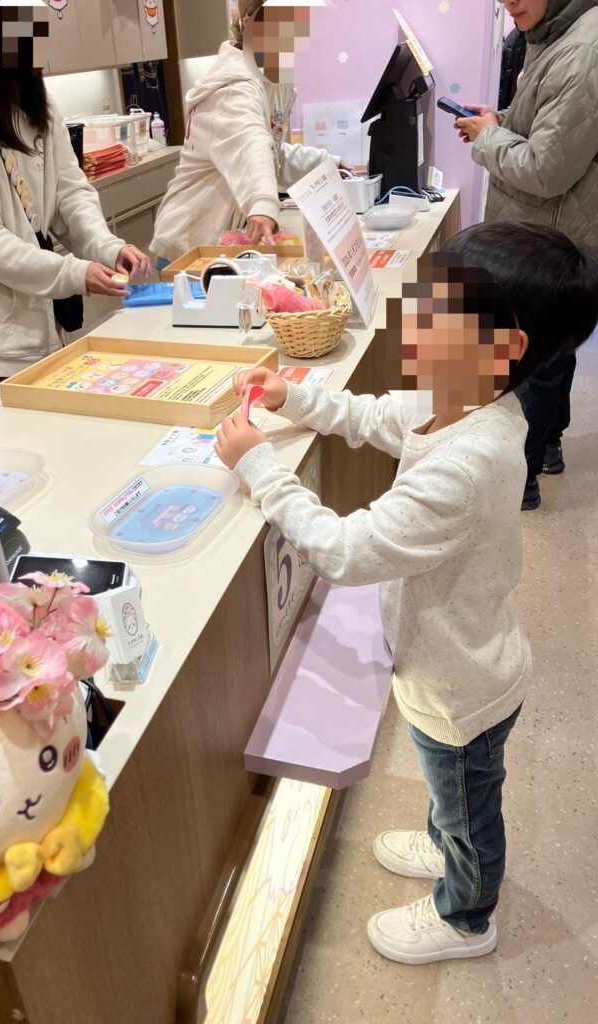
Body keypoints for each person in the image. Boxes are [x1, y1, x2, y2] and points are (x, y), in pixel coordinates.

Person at [214, 222, 598, 965]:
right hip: (445, 662)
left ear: (504, 347)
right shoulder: (454, 398)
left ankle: (467, 915)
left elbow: (346, 550)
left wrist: (261, 468)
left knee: (467, 806)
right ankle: (442, 840)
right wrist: (293, 396)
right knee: (447, 788)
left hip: (461, 686)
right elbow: (372, 416)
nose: (412, 318)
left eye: (437, 311)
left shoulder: (471, 460)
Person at [0, 0, 149, 402]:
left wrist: (107, 247)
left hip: (44, 316)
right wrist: (75, 273)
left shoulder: (29, 91)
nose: (35, 23)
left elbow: (69, 192)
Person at [455, 0, 598, 510]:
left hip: (550, 238)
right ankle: (548, 446)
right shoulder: (557, 29)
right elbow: (548, 126)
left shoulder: (583, 50)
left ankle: (521, 480)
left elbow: (544, 168)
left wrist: (487, 138)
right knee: (553, 352)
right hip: (556, 235)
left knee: (532, 362)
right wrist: (501, 121)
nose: (509, 1)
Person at [150, 0, 353, 268]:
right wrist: (263, 202)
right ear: (249, 22)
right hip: (188, 249)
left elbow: (272, 154)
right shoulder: (233, 89)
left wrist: (325, 164)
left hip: (219, 244)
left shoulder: (267, 79)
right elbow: (251, 145)